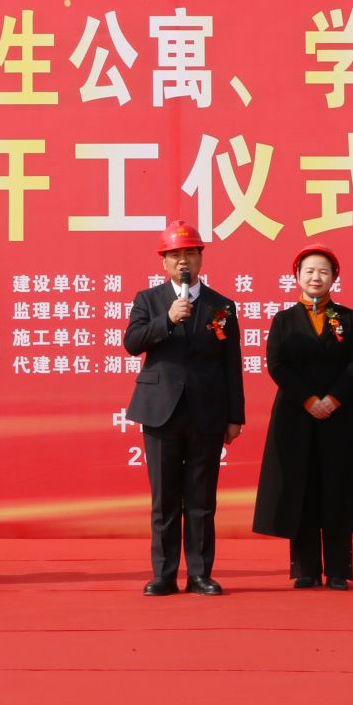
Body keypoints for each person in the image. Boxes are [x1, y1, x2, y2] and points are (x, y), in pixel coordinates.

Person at [252, 242, 353, 589]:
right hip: (296, 415)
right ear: (297, 276)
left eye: (323, 272)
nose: (316, 277)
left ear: (334, 277)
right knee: (302, 487)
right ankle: (306, 569)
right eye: (309, 271)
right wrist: (309, 399)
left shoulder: (347, 318)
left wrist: (333, 399)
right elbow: (276, 364)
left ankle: (339, 570)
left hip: (340, 415)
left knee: (338, 486)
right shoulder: (283, 320)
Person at [124, 220, 245, 596]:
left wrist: (235, 415)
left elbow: (231, 364)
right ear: (163, 261)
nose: (183, 260)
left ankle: (199, 573)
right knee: (164, 498)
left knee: (201, 498)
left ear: (200, 258)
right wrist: (167, 319)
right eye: (175, 254)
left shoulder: (221, 306)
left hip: (207, 412)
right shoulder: (149, 300)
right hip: (160, 411)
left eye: (189, 253)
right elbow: (132, 342)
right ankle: (163, 574)